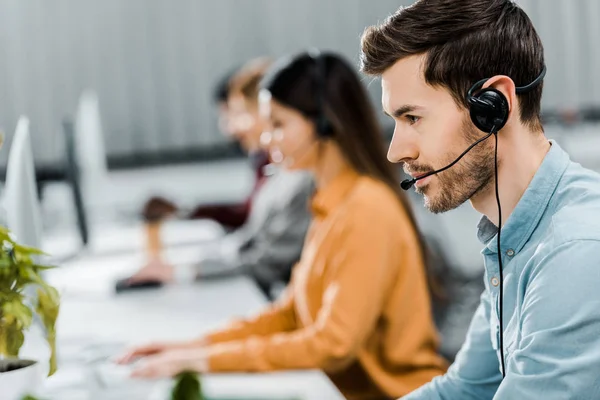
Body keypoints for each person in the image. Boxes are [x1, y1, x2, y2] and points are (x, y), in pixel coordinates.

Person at [118, 51, 448, 399]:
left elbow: (333, 344)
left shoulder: (366, 208)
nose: (265, 139)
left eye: (277, 124)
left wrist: (204, 360)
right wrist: (190, 348)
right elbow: (290, 314)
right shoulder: (329, 203)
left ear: (323, 124)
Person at [360, 0, 600, 398]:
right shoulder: (516, 233)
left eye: (413, 118)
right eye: (394, 122)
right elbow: (463, 390)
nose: (395, 151)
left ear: (493, 106)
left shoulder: (576, 251)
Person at [124, 58, 314, 298]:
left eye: (241, 114)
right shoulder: (281, 174)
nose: (231, 128)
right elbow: (250, 236)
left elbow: (266, 261)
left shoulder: (302, 179)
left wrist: (184, 270)